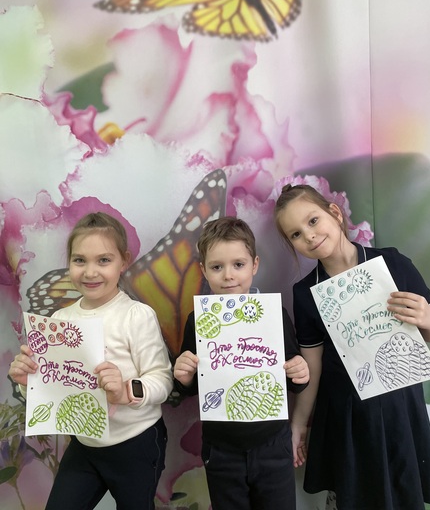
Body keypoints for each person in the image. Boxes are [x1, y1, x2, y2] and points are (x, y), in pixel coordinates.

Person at [274, 183, 430, 510]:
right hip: (347, 416)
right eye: (296, 234)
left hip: (400, 409)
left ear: (335, 213)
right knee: (353, 495)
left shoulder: (392, 263)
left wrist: (428, 317)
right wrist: (298, 424)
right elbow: (313, 366)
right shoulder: (305, 293)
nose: (309, 235)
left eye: (313, 221)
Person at [9, 212, 173, 510]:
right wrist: (27, 382)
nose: (90, 272)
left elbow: (162, 380)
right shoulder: (61, 319)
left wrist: (126, 391)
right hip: (85, 445)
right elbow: (52, 388)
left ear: (123, 262)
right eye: (80, 260)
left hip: (136, 442)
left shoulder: (136, 316)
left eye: (103, 260)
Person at [173, 216, 310, 510]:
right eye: (217, 267)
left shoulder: (274, 315)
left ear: (254, 265)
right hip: (221, 450)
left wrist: (300, 373)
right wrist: (183, 377)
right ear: (203, 270)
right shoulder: (198, 320)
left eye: (238, 264)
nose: (228, 276)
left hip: (272, 444)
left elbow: (292, 378)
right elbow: (192, 386)